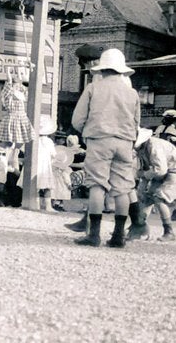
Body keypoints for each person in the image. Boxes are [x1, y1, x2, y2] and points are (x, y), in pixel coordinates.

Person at [70, 48, 141, 248]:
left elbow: (77, 119)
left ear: (102, 69)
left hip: (99, 140)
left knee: (97, 185)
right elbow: (137, 122)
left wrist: (90, 130)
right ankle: (118, 236)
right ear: (122, 70)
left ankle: (94, 235)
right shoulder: (132, 93)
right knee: (122, 189)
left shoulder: (93, 88)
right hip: (125, 142)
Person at [134, 128, 176, 241]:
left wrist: (143, 175)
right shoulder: (143, 149)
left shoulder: (154, 146)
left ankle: (169, 231)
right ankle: (138, 227)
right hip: (160, 172)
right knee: (147, 198)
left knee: (159, 197)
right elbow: (145, 170)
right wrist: (141, 190)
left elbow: (160, 169)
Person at [0, 62, 34, 172]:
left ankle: (13, 156)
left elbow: (22, 80)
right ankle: (8, 159)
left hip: (21, 116)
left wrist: (23, 67)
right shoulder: (9, 92)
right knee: (9, 140)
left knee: (22, 140)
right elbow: (9, 80)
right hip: (13, 116)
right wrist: (8, 69)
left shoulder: (22, 90)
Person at [35, 115, 60, 211]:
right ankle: (48, 206)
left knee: (34, 186)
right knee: (47, 186)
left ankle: (36, 205)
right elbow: (54, 154)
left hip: (35, 164)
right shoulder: (49, 142)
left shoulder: (34, 140)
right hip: (45, 165)